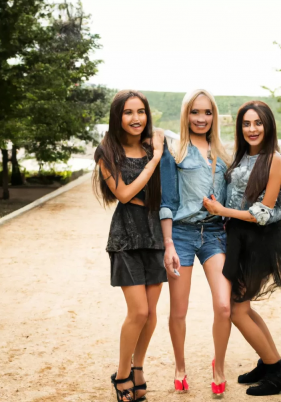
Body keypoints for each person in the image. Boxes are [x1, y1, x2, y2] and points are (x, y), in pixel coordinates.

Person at [203, 100, 281, 397]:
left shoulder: (274, 159)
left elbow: (263, 214)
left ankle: (278, 372)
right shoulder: (242, 157)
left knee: (237, 310)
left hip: (260, 240)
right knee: (242, 307)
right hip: (238, 239)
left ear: (268, 126)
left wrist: (221, 211)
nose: (252, 129)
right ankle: (270, 365)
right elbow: (236, 197)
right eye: (246, 123)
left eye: (258, 123)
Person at [93, 90, 167, 402]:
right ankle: (122, 374)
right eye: (128, 112)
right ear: (117, 117)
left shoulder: (155, 145)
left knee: (151, 315)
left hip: (154, 237)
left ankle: (138, 370)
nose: (136, 118)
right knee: (138, 311)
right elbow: (123, 194)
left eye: (141, 112)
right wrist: (154, 161)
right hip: (125, 238)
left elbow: (167, 193)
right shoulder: (107, 152)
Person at [160, 89, 231, 394]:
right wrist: (169, 244)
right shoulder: (174, 153)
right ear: (186, 114)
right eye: (195, 112)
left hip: (216, 235)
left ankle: (220, 367)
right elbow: (166, 201)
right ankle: (180, 366)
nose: (201, 119)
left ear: (214, 116)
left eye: (207, 112)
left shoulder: (225, 154)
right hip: (182, 236)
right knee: (179, 310)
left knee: (224, 306)